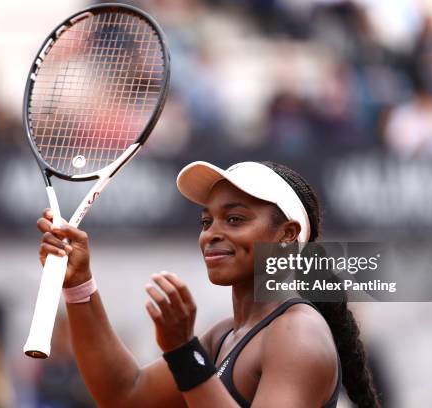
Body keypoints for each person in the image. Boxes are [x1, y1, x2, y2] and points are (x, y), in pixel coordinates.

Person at [37, 161, 380, 408]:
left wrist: (185, 354)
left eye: (234, 219)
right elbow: (125, 394)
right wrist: (79, 285)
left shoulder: (297, 333)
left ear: (287, 236)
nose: (211, 234)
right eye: (206, 221)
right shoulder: (225, 335)